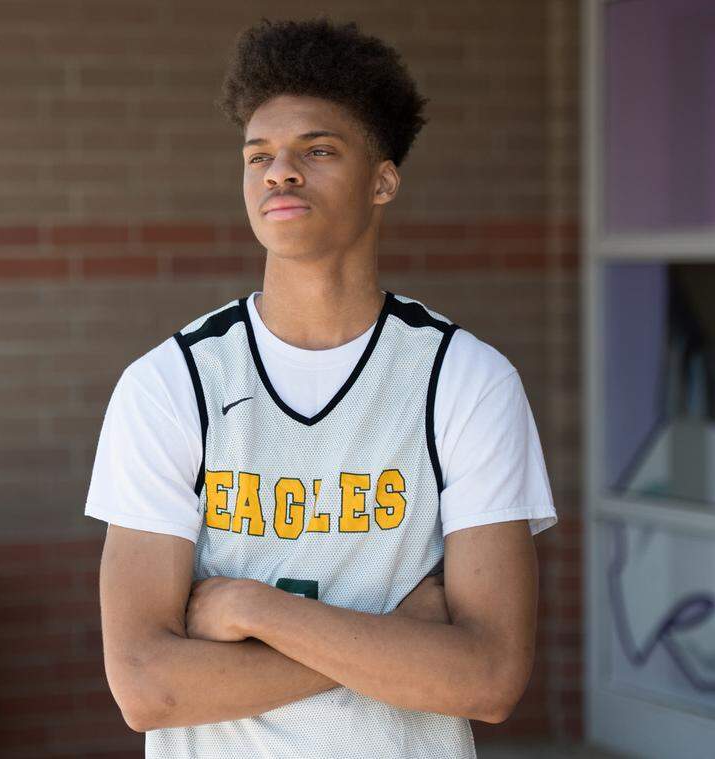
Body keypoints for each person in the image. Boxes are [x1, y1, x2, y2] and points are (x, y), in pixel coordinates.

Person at [83, 15, 557, 758]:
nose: (279, 171)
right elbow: (149, 687)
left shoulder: (464, 380)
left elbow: (491, 677)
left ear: (383, 179)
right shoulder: (171, 384)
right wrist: (398, 644)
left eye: (319, 149)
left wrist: (252, 608)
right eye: (259, 155)